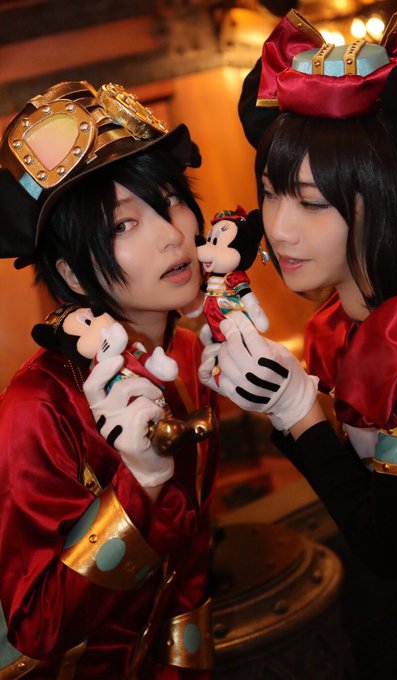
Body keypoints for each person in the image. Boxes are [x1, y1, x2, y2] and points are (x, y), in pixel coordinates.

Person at [198, 9, 397, 679]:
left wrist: (297, 412)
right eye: (270, 193)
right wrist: (289, 404)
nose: (280, 228)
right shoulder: (338, 324)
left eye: (311, 202)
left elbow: (390, 547)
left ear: (384, 198)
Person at [0, 81, 218, 679]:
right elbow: (38, 626)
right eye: (123, 225)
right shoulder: (38, 404)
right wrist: (139, 486)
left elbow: (190, 571)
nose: (171, 234)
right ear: (71, 273)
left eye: (170, 200)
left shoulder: (189, 356)